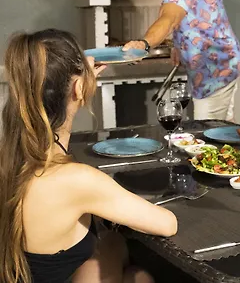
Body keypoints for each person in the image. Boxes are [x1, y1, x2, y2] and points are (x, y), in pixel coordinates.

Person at [0, 29, 177, 283]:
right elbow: (168, 224)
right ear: (79, 87)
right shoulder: (75, 179)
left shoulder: (11, 156)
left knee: (113, 243)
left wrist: (80, 82)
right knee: (140, 276)